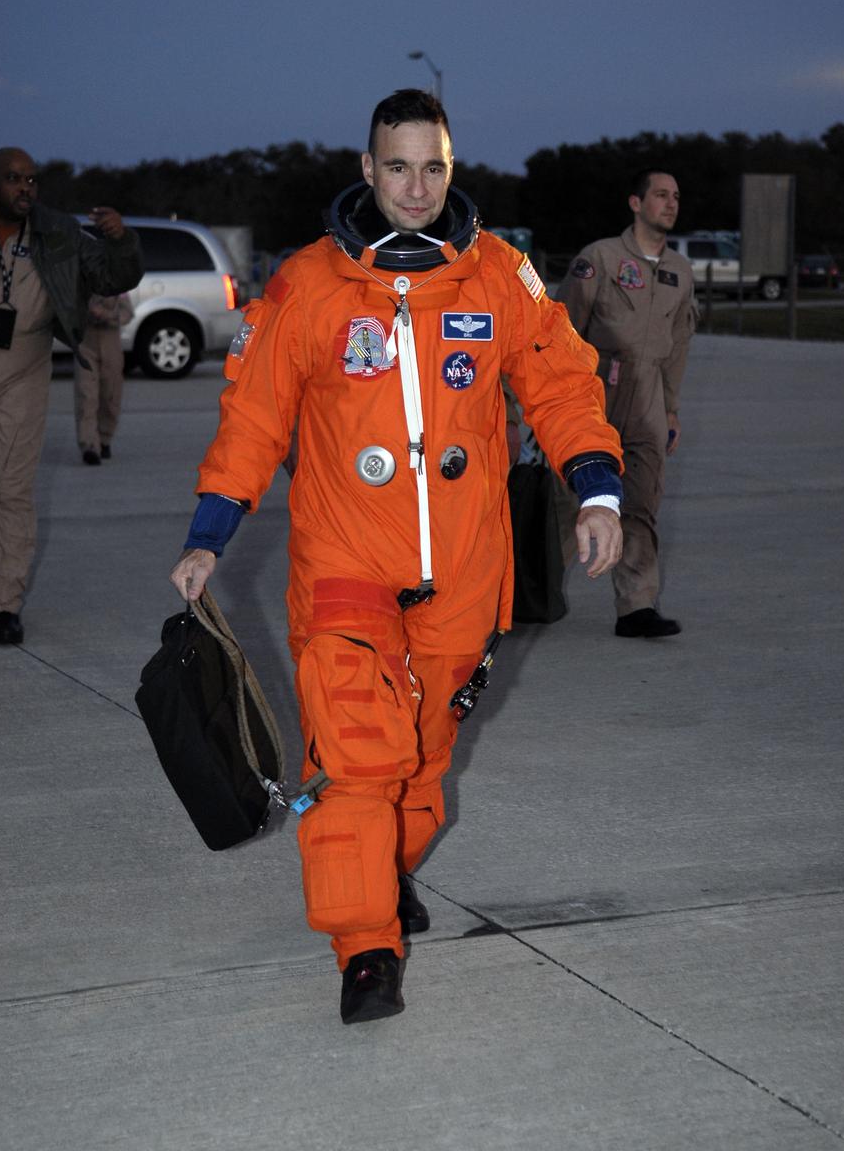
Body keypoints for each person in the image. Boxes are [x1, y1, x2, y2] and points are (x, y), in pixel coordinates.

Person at [170, 90, 624, 1024]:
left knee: (424, 756)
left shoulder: (501, 275)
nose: (415, 188)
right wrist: (208, 535)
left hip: (464, 569)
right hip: (346, 562)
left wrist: (599, 491)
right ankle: (364, 947)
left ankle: (385, 870)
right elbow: (253, 417)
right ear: (367, 169)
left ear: (449, 170)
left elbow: (563, 383)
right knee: (359, 758)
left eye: (433, 167)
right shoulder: (307, 287)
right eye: (397, 167)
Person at [0, 148, 143, 644]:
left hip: (22, 373)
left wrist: (120, 242)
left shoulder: (55, 231)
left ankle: (3, 605)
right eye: (14, 179)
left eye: (31, 180)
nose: (25, 189)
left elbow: (112, 276)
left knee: (11, 492)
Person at [556, 169, 696, 638]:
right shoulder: (599, 258)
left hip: (651, 396)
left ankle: (636, 607)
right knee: (566, 499)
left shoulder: (680, 270)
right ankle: (532, 595)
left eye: (675, 196)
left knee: (641, 501)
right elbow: (560, 331)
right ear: (635, 203)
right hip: (595, 391)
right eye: (660, 195)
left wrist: (671, 408)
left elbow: (679, 344)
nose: (670, 203)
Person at [74, 291, 134, 464]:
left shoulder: (116, 283)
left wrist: (107, 315)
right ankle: (89, 445)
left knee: (111, 395)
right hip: (86, 343)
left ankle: (105, 438)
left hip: (110, 342)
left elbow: (127, 313)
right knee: (86, 394)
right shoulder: (80, 281)